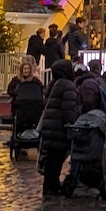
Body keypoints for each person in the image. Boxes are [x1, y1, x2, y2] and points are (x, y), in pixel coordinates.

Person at [36, 59, 82, 196]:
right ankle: (53, 186)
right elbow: (68, 108)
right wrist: (72, 122)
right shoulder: (68, 85)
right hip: (59, 128)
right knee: (57, 158)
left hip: (50, 126)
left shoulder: (53, 84)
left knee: (51, 159)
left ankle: (49, 186)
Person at [7, 58, 46, 155]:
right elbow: (10, 91)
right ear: (21, 70)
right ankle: (19, 143)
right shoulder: (16, 80)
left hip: (34, 107)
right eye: (24, 69)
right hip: (19, 107)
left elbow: (41, 90)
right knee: (18, 124)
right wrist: (17, 92)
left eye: (28, 69)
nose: (26, 71)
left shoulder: (35, 81)